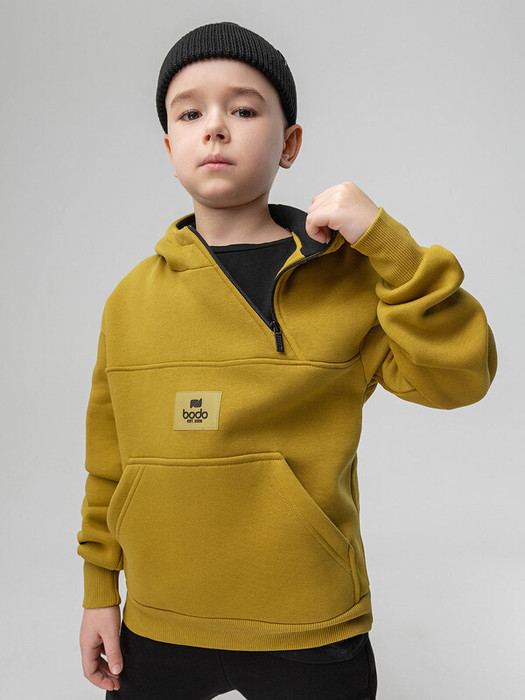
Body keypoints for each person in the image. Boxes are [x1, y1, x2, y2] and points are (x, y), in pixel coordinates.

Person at [76, 21, 498, 700]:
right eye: (190, 113)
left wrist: (388, 246)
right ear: (170, 147)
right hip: (156, 624)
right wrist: (100, 590)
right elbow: (109, 463)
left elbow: (461, 378)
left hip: (310, 625)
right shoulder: (129, 300)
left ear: (290, 143)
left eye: (244, 110)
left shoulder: (349, 277)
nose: (215, 128)